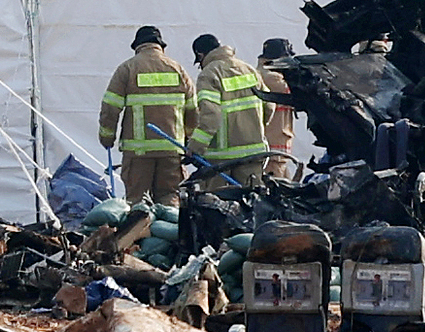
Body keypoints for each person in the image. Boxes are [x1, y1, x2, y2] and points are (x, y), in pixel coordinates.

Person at [98, 25, 192, 204]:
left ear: (137, 46)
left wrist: (107, 137)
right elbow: (193, 109)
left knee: (137, 202)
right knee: (171, 199)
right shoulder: (178, 70)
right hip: (171, 151)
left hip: (138, 153)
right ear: (161, 46)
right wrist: (189, 141)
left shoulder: (127, 69)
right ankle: (169, 231)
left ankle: (139, 231)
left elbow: (111, 108)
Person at [190, 33, 271, 190]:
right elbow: (269, 105)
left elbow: (211, 116)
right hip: (252, 154)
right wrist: (255, 128)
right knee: (253, 202)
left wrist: (195, 147)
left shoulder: (209, 74)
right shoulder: (248, 69)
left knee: (217, 207)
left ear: (201, 55)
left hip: (220, 159)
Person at [258, 37, 300, 181]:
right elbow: (297, 91)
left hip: (277, 150)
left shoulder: (265, 73)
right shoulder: (271, 77)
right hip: (274, 149)